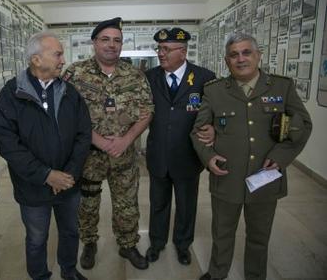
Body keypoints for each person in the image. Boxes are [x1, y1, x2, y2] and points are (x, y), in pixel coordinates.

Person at [190, 32, 312, 280]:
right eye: (234, 55)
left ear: (258, 56)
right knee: (222, 232)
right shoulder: (214, 92)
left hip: (265, 176)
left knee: (259, 234)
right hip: (226, 175)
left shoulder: (282, 87)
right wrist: (209, 156)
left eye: (247, 52)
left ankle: (255, 275)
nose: (241, 59)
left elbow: (303, 125)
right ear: (227, 61)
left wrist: (281, 157)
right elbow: (198, 131)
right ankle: (217, 272)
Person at [0, 32, 91, 280]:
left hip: (69, 184)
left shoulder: (70, 93)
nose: (63, 59)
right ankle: (39, 276)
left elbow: (83, 135)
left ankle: (68, 271)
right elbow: (8, 144)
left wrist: (68, 174)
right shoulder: (11, 94)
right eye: (57, 54)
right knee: (37, 238)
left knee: (70, 231)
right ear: (36, 59)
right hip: (33, 187)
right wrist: (46, 175)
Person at [63, 17, 154, 270]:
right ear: (94, 43)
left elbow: (147, 111)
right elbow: (66, 115)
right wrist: (100, 141)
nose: (111, 45)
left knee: (127, 204)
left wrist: (126, 139)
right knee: (87, 204)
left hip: (124, 156)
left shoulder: (135, 75)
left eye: (117, 40)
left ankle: (127, 245)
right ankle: (89, 243)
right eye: (105, 39)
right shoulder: (74, 73)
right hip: (88, 157)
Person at [145, 27, 216, 265]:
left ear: (183, 52)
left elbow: (216, 111)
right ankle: (156, 243)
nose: (160, 53)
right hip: (158, 155)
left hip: (187, 156)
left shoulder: (205, 77)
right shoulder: (149, 77)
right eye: (159, 48)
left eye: (166, 49)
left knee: (186, 206)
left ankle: (183, 245)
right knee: (158, 204)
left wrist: (215, 127)